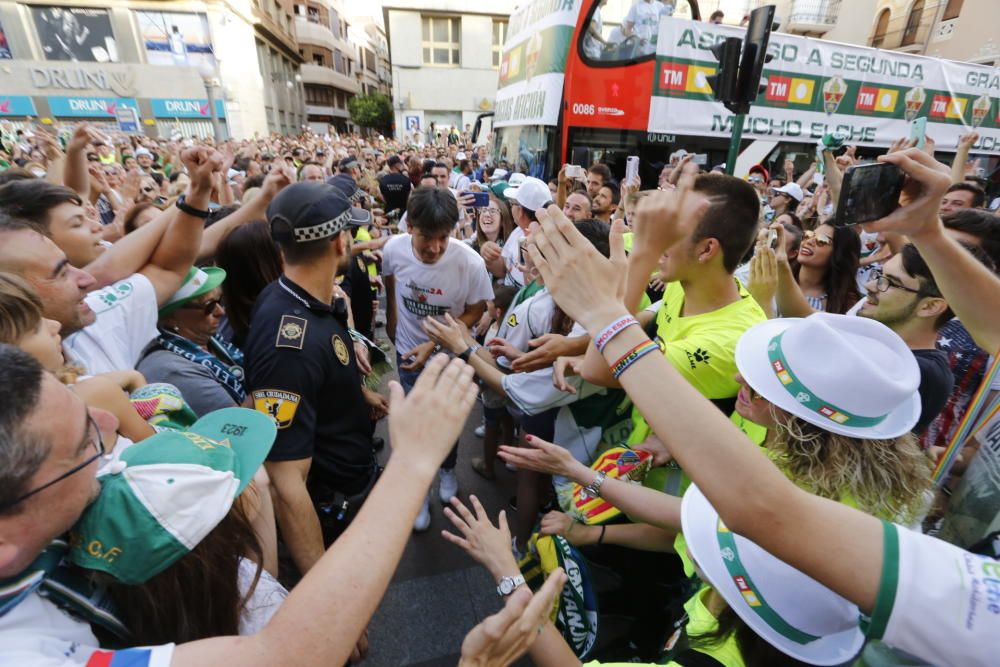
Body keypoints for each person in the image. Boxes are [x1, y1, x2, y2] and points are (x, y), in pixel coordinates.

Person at [503, 147, 1000, 667]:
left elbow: (746, 510)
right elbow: (716, 513)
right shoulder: (826, 482)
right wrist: (929, 231)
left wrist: (608, 307)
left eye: (770, 382)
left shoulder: (793, 507)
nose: (743, 379)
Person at [243, 182, 385, 581]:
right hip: (328, 509)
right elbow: (287, 486)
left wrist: (357, 396)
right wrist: (326, 595)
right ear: (341, 242)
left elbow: (313, 385)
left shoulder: (293, 298)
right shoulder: (289, 345)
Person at [0, 148, 225, 375]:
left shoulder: (98, 312)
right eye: (60, 272)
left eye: (69, 266)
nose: (87, 279)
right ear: (11, 294)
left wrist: (198, 191)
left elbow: (166, 268)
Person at [382, 187, 493, 530]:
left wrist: (434, 344)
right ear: (410, 226)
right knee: (415, 423)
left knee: (445, 422)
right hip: (406, 352)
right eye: (426, 237)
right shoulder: (393, 249)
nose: (435, 247)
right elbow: (389, 281)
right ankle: (419, 492)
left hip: (451, 357)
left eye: (443, 237)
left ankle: (447, 470)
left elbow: (477, 310)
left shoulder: (469, 262)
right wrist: (391, 318)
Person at [137, 267, 247, 416]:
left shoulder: (210, 341)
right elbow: (239, 422)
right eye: (209, 306)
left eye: (219, 301)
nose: (221, 311)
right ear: (169, 317)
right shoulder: (172, 368)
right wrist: (275, 381)